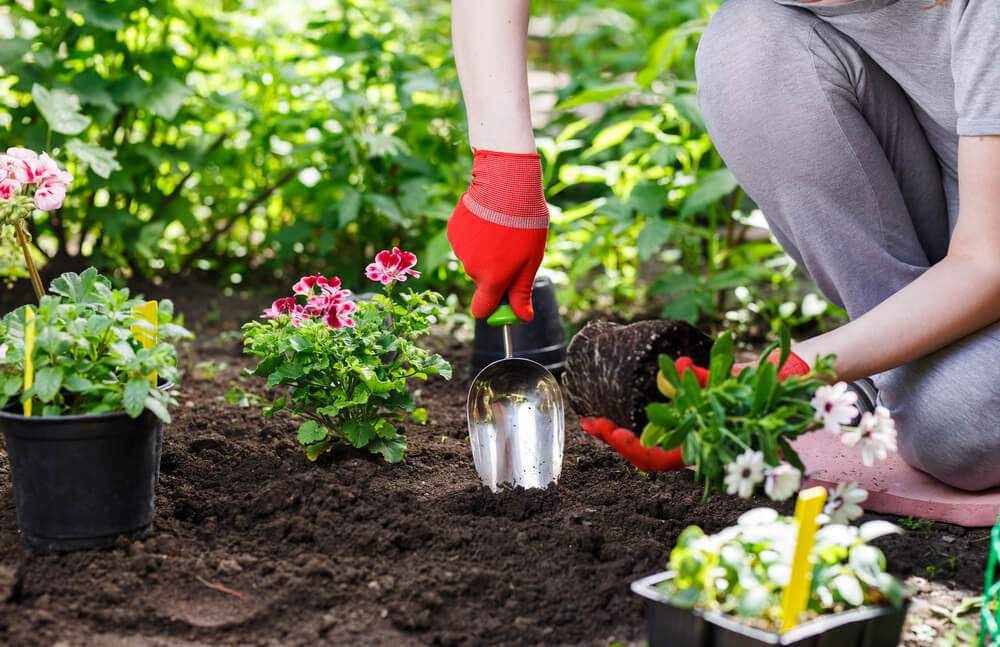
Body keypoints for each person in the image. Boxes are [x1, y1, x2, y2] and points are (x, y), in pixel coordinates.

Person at [445, 0, 1000, 492]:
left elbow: (987, 261)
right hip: (947, 177)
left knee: (962, 425)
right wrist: (504, 167)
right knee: (748, 44)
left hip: (986, 235)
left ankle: (905, 377)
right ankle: (894, 368)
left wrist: (793, 371)